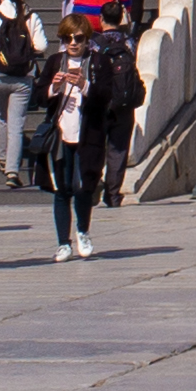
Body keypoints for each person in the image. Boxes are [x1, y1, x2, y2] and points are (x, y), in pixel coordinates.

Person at [44, 16, 140, 261]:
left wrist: (85, 85)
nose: (73, 43)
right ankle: (63, 243)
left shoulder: (99, 62)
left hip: (89, 134)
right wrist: (53, 88)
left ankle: (83, 232)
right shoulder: (55, 62)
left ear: (87, 39)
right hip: (60, 135)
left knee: (84, 187)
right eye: (67, 38)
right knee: (62, 189)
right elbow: (39, 96)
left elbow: (107, 95)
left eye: (78, 38)